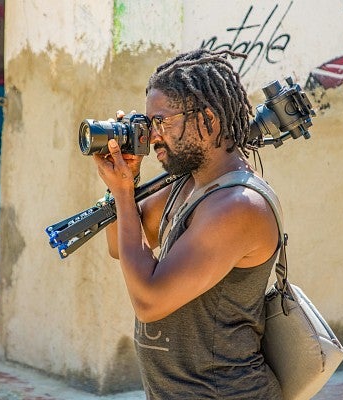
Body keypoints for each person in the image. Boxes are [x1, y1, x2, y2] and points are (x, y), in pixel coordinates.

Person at [93, 49, 283, 399]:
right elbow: (120, 246)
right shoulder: (188, 184)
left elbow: (149, 301)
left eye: (161, 122)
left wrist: (122, 194)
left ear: (207, 120)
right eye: (149, 125)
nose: (152, 136)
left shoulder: (238, 206)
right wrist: (124, 184)